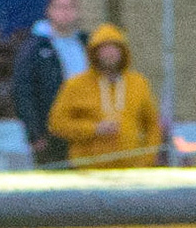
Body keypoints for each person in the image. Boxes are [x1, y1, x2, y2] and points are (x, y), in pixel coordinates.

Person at [47, 23, 160, 169]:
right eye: (103, 49)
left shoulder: (138, 83)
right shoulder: (76, 85)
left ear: (123, 51)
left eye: (114, 48)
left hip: (132, 171)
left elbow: (152, 125)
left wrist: (146, 160)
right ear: (93, 53)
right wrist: (94, 129)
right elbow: (57, 123)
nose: (109, 53)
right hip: (89, 170)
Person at [13, 0, 89, 168]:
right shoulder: (35, 48)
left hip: (86, 130)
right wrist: (34, 133)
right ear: (49, 11)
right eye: (60, 7)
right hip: (50, 134)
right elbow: (24, 93)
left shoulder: (87, 44)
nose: (65, 12)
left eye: (71, 7)